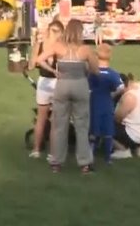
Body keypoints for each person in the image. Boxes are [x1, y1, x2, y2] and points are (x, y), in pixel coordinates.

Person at [37, 19, 99, 174]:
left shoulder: (58, 47)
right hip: (80, 85)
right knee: (82, 126)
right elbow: (96, 70)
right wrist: (87, 71)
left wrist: (54, 72)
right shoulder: (85, 49)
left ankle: (56, 163)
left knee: (59, 125)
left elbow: (39, 59)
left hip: (62, 85)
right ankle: (84, 164)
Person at [28, 20, 64, 160]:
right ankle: (52, 153)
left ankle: (36, 150)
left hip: (43, 83)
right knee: (55, 121)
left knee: (41, 119)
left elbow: (33, 64)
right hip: (57, 83)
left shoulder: (40, 45)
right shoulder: (59, 47)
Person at [88, 44, 124, 164]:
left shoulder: (92, 73)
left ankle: (91, 155)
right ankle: (108, 158)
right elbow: (121, 88)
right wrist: (113, 94)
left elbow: (87, 89)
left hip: (95, 103)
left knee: (94, 129)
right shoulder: (113, 74)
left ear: (96, 56)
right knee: (108, 131)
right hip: (107, 104)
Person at [111, 73, 140, 160]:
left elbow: (118, 118)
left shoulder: (129, 97)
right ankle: (138, 149)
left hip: (134, 136)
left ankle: (123, 150)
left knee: (104, 126)